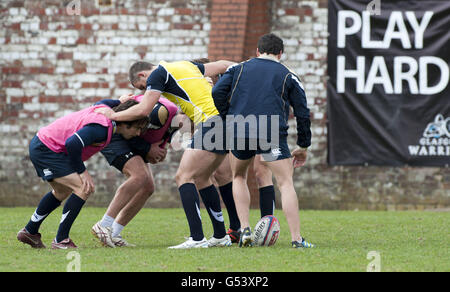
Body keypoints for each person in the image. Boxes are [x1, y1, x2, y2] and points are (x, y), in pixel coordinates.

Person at [96, 59, 236, 249]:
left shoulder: (158, 74)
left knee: (183, 177)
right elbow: (222, 65)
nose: (145, 91)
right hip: (224, 121)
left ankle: (197, 239)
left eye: (142, 87)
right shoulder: (184, 65)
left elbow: (144, 108)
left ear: (142, 75)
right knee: (203, 178)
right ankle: (220, 236)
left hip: (211, 122)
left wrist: (113, 116)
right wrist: (251, 66)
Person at [212, 33, 315, 248]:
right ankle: (296, 240)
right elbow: (303, 112)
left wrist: (228, 117)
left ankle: (246, 230)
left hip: (240, 129)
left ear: (257, 51)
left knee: (239, 176)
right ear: (280, 53)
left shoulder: (237, 69)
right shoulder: (288, 74)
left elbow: (217, 92)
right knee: (285, 183)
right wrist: (303, 145)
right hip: (271, 132)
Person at [17, 99, 149, 249]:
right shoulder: (102, 128)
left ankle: (30, 231)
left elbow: (105, 101)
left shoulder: (106, 109)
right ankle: (61, 240)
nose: (138, 133)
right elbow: (72, 143)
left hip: (44, 145)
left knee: (62, 191)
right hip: (47, 149)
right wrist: (82, 171)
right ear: (126, 122)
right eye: (138, 128)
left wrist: (120, 100)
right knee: (83, 188)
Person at [92, 95, 182, 247]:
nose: (192, 131)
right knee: (139, 175)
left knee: (148, 187)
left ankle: (113, 234)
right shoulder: (161, 111)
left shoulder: (176, 119)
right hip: (117, 136)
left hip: (131, 139)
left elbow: (162, 135)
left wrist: (161, 149)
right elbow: (130, 128)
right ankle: (103, 224)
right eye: (193, 126)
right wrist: (148, 149)